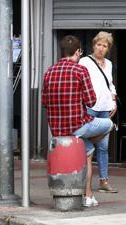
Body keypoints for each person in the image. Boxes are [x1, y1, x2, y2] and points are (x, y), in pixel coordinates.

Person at [42, 35, 114, 208]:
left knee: (88, 152)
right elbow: (91, 101)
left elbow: (44, 103)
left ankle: (88, 197)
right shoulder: (80, 70)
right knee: (109, 125)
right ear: (77, 52)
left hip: (57, 129)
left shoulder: (49, 71)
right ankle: (87, 195)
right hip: (78, 126)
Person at [79, 31, 119, 194]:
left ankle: (104, 180)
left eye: (105, 46)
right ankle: (83, 180)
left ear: (108, 48)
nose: (101, 48)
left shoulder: (108, 64)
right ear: (93, 45)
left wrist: (114, 101)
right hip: (90, 107)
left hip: (105, 107)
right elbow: (79, 83)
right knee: (86, 143)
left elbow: (110, 84)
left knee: (103, 146)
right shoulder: (84, 61)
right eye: (99, 45)